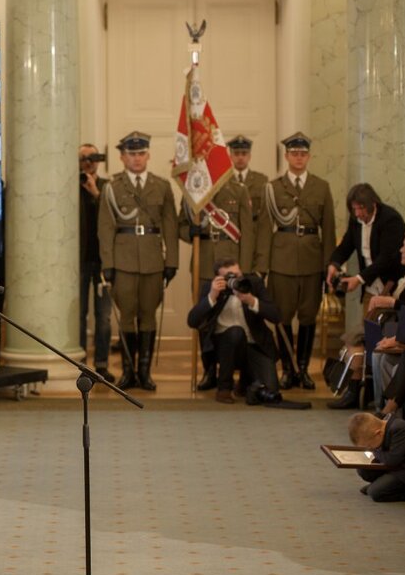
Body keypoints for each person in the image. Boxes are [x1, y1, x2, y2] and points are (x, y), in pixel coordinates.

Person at [254, 132, 335, 390]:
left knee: (309, 316)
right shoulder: (274, 188)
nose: (298, 158)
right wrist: (261, 268)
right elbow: (265, 229)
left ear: (308, 156)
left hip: (312, 260)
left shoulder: (321, 187)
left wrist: (329, 266)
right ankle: (288, 369)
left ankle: (304, 369)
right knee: (283, 316)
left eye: (303, 153)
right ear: (287, 156)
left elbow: (329, 230)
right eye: (294, 153)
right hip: (282, 260)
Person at [98, 132, 178, 391]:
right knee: (126, 317)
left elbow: (170, 225)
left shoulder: (162, 186)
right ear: (122, 157)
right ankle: (128, 372)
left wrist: (172, 260)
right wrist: (107, 264)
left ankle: (144, 373)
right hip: (123, 261)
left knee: (148, 317)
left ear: (148, 155)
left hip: (154, 260)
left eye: (141, 153)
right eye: (131, 154)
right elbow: (106, 228)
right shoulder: (112, 188)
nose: (136, 158)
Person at [325, 184, 405, 409]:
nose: (358, 213)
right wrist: (334, 263)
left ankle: (370, 393)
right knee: (367, 337)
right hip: (371, 289)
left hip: (390, 285)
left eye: (361, 208)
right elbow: (346, 246)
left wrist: (358, 278)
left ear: (373, 204)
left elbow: (387, 259)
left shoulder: (391, 220)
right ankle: (357, 390)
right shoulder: (356, 221)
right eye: (354, 209)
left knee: (375, 340)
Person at [178, 174, 254, 391]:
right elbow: (180, 226)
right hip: (203, 262)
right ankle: (209, 369)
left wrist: (245, 269)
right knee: (205, 319)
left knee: (239, 316)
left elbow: (247, 232)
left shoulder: (238, 190)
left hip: (232, 262)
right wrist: (189, 232)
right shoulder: (193, 189)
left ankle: (238, 370)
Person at [186, 258, 281, 403]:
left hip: (254, 346)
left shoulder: (253, 284)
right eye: (229, 277)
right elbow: (192, 321)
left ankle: (245, 382)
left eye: (238, 275)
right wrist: (212, 296)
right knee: (235, 333)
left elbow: (276, 315)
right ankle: (224, 388)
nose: (235, 280)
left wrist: (251, 300)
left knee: (271, 390)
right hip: (223, 347)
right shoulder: (211, 288)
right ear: (218, 278)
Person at [365, 231, 405, 412]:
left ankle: (389, 411)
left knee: (386, 358)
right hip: (403, 328)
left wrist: (398, 339)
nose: (401, 250)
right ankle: (384, 408)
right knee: (378, 354)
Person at [78, 143, 114, 382]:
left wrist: (96, 194)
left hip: (103, 262)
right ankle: (80, 363)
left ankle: (101, 364)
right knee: (79, 314)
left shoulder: (107, 188)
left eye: (93, 158)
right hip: (78, 262)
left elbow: (114, 216)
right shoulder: (70, 188)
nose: (89, 162)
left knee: (103, 317)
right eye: (83, 158)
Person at [347, 412, 405, 502]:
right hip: (396, 466)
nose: (369, 448)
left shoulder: (399, 429)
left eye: (369, 445)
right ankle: (383, 484)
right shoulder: (383, 425)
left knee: (375, 493)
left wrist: (373, 451)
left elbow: (392, 460)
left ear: (378, 433)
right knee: (363, 468)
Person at [226, 135, 268, 233]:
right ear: (230, 156)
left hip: (253, 232)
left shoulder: (261, 180)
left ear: (249, 156)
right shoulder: (223, 181)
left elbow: (265, 214)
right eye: (236, 154)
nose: (240, 157)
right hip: (230, 232)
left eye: (244, 153)